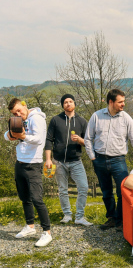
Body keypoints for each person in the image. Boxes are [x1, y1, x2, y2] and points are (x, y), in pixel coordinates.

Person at [84, 89, 133, 231]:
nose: (123, 104)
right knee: (106, 191)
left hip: (118, 161)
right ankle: (111, 218)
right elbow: (88, 138)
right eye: (120, 102)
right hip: (99, 160)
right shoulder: (96, 116)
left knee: (123, 190)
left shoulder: (126, 118)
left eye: (123, 101)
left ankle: (121, 220)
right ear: (111, 102)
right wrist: (92, 157)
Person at [4, 98, 52, 247]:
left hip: (33, 163)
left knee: (37, 199)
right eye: (14, 113)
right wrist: (10, 136)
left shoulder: (36, 118)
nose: (18, 114)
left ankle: (47, 232)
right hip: (20, 162)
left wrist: (23, 136)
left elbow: (39, 140)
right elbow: (6, 135)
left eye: (19, 110)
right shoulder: (17, 120)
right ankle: (30, 226)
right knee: (24, 197)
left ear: (24, 105)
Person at [45, 94, 92, 226]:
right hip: (58, 161)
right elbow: (49, 140)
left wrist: (80, 140)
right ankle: (67, 215)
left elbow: (89, 142)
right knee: (62, 189)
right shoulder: (55, 120)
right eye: (65, 102)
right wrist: (48, 159)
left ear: (74, 104)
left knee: (83, 187)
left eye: (70, 101)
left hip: (76, 161)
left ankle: (79, 217)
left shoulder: (82, 121)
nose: (68, 104)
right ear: (62, 105)